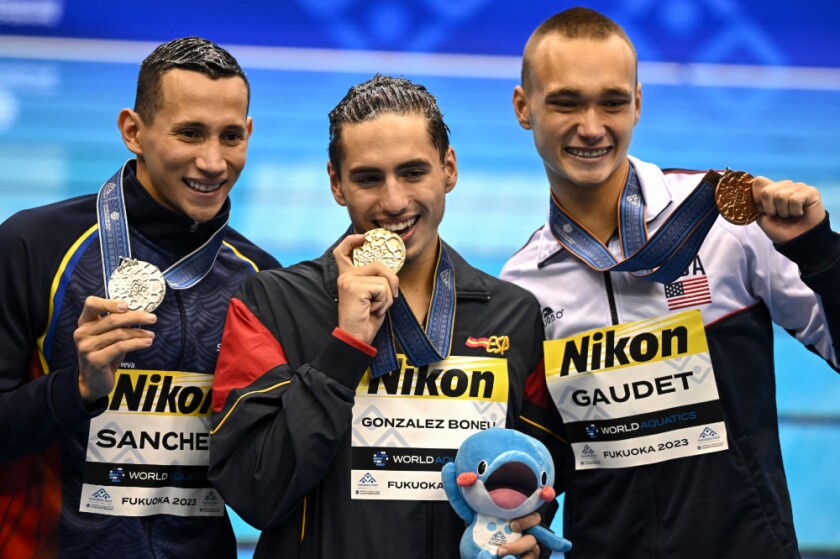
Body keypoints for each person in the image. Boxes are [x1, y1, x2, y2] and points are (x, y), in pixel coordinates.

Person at [501, 6, 839, 559]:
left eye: (612, 102)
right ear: (524, 107)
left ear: (637, 103)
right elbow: (541, 461)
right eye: (566, 102)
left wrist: (820, 252)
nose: (592, 126)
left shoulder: (725, 222)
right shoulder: (521, 286)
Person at [208, 74, 565, 559]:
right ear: (337, 183)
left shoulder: (512, 315)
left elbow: (540, 483)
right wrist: (344, 351)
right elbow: (254, 492)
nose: (394, 201)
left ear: (449, 169)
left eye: (413, 172)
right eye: (368, 178)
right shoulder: (271, 303)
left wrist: (521, 536)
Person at [0, 37, 279, 558]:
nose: (213, 161)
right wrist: (78, 389)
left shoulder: (260, 279)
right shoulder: (34, 246)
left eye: (230, 136)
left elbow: (271, 478)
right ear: (133, 131)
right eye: (189, 133)